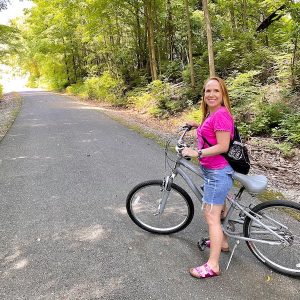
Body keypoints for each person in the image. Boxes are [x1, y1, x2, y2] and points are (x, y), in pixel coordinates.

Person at [182, 76, 234, 279]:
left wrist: (196, 153)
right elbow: (213, 132)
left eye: (216, 91)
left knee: (211, 217)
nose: (211, 94)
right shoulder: (213, 114)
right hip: (217, 171)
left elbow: (223, 146)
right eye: (207, 91)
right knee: (219, 210)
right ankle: (222, 242)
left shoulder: (221, 115)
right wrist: (198, 125)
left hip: (217, 173)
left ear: (223, 94)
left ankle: (213, 265)